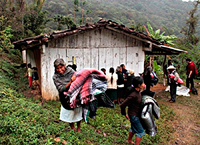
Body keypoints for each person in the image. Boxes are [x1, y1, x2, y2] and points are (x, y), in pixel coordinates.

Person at [53, 58, 82, 132]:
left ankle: (78, 128)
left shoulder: (71, 71)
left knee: (78, 111)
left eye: (61, 67)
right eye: (57, 68)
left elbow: (78, 78)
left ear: (64, 66)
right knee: (69, 113)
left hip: (75, 95)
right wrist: (70, 82)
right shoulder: (55, 77)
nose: (59, 70)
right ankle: (73, 128)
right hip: (65, 97)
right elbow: (61, 89)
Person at [120, 76, 145, 145]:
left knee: (134, 128)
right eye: (142, 83)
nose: (143, 84)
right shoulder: (133, 95)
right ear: (139, 85)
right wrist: (124, 114)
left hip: (135, 114)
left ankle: (129, 140)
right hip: (134, 116)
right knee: (140, 132)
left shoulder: (138, 92)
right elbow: (122, 105)